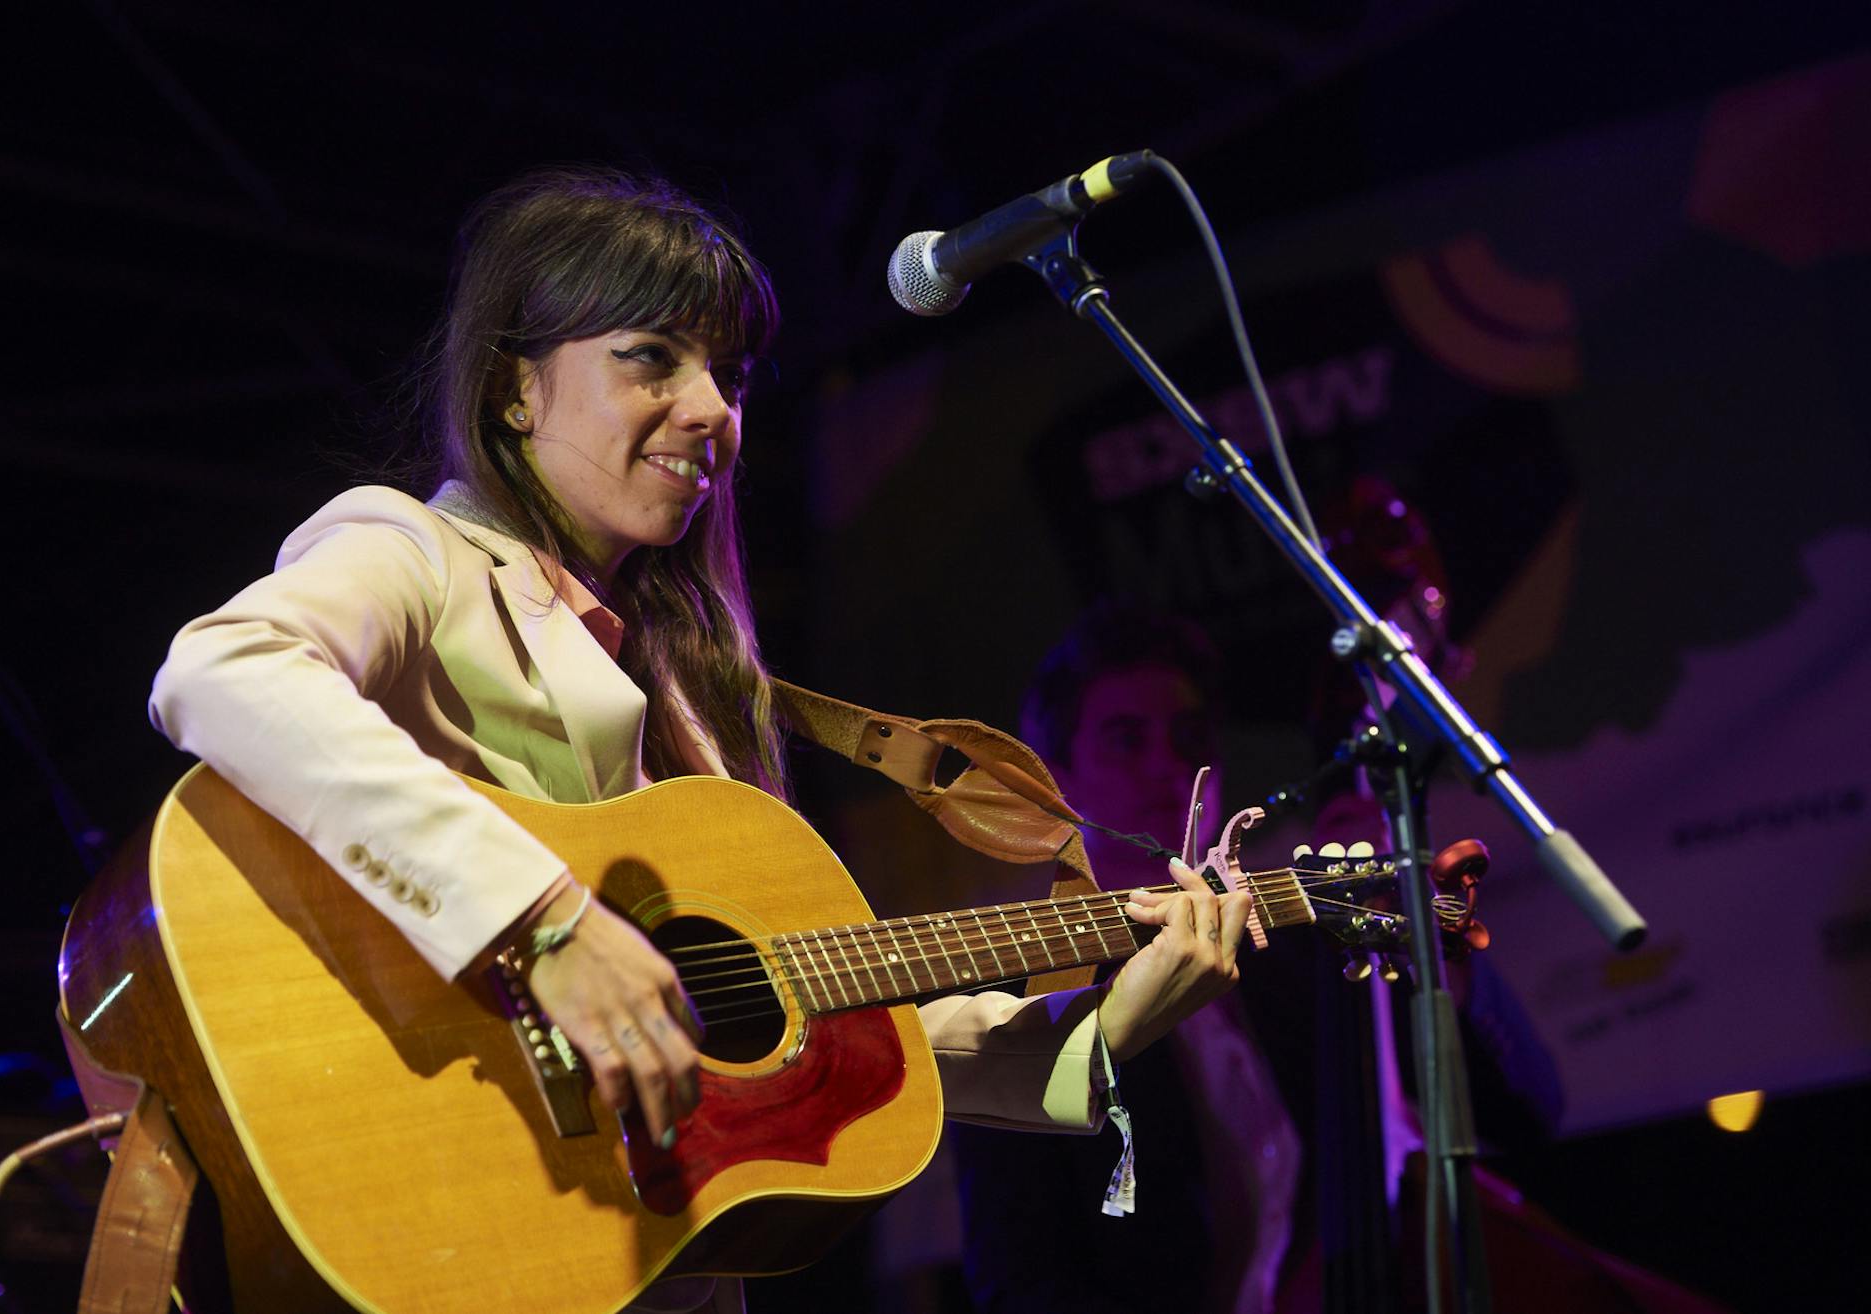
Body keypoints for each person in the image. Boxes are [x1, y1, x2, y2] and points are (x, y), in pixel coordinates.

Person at [146, 168, 1253, 1312]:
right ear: (516, 387)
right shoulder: (415, 553)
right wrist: (547, 922)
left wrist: (1102, 1028)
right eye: (652, 358)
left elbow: (806, 1017)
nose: (715, 408)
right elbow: (224, 671)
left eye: (728, 373)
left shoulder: (685, 685)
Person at [951, 603, 1565, 1314]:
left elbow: (1530, 1111)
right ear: (1058, 781)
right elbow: (1018, 1283)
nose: (1168, 767)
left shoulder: (1303, 953)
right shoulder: (1020, 1009)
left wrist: (1423, 940)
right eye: (1126, 740)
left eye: (1189, 738)